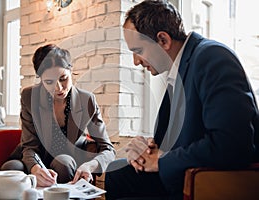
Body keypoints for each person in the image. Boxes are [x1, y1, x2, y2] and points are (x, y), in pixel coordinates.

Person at [104, 0, 259, 199]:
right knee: (116, 172)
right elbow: (178, 139)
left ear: (163, 40)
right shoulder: (179, 70)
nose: (136, 62)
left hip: (205, 182)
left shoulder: (212, 57)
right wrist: (147, 150)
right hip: (180, 173)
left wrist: (161, 160)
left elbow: (232, 143)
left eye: (138, 51)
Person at [2, 44, 115, 187]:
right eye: (49, 82)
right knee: (11, 169)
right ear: (40, 79)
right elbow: (29, 146)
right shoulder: (29, 96)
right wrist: (36, 168)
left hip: (68, 161)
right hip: (34, 157)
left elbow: (108, 149)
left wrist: (90, 166)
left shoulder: (86, 100)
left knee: (64, 163)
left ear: (70, 71)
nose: (59, 88)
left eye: (63, 78)